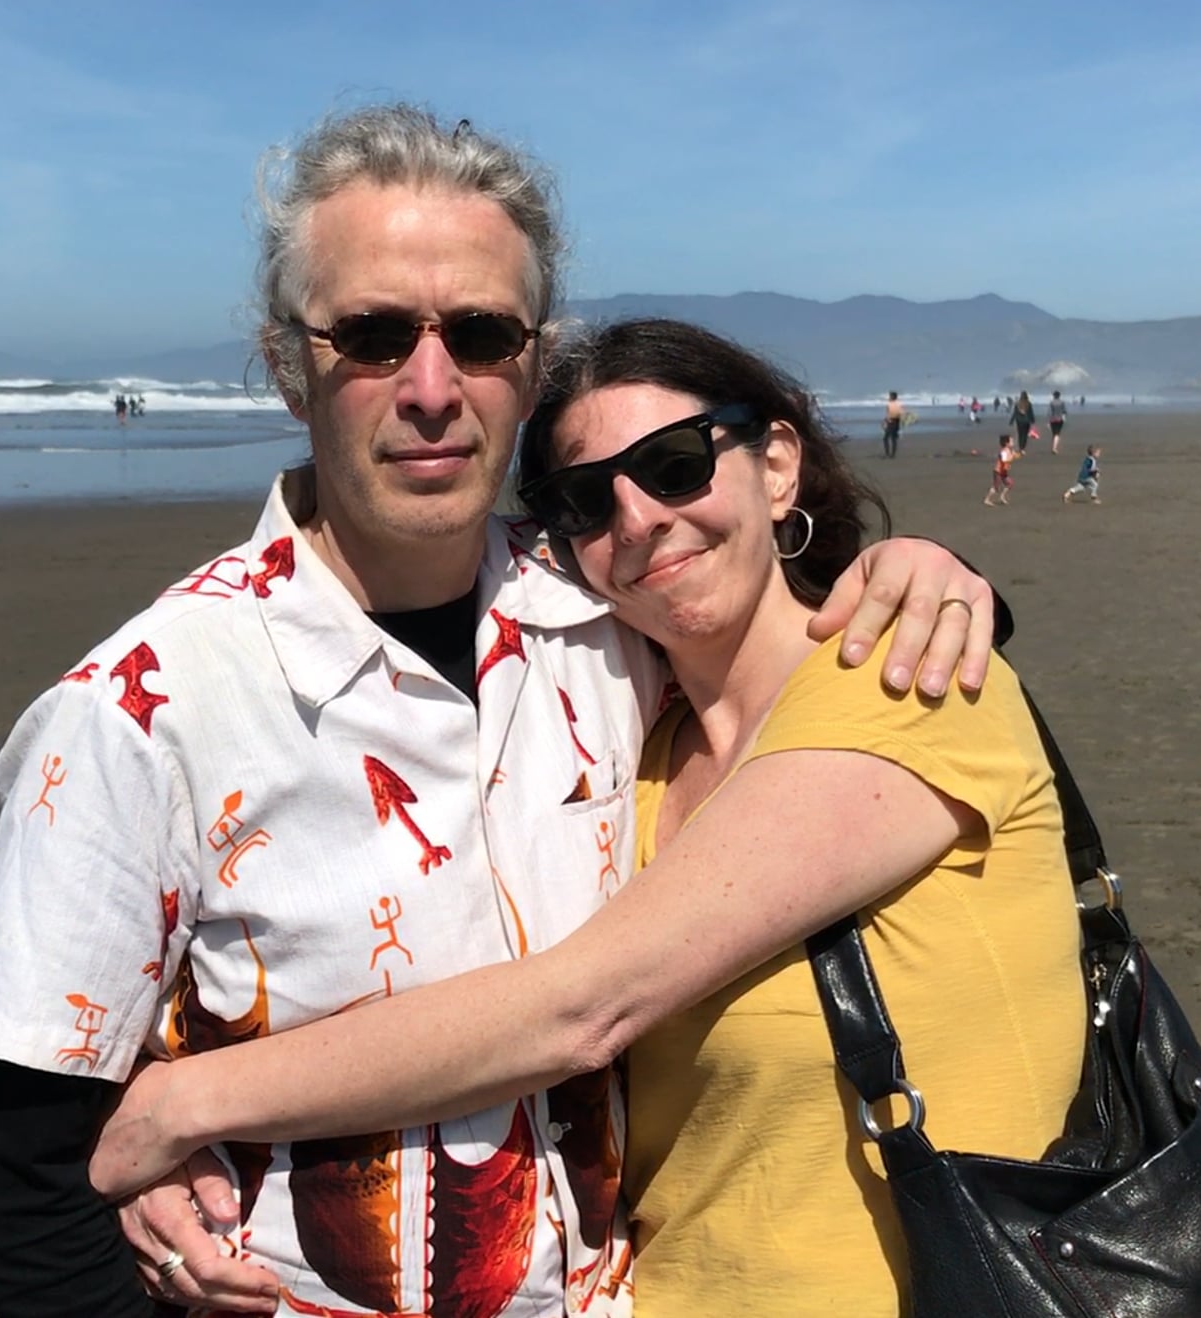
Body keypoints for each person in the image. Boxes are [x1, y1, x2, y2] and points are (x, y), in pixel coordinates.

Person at [0, 105, 1004, 1318]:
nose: (432, 389)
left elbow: (771, 625)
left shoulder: (609, 612)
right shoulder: (141, 714)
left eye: (481, 336)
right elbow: (7, 1180)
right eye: (373, 335)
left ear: (532, 367)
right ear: (289, 367)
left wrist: (927, 572)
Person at [93, 319, 1086, 1316]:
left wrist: (183, 1105)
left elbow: (577, 1008)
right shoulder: (633, 760)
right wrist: (167, 1100)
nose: (638, 519)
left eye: (675, 464)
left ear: (777, 466)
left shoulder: (913, 683)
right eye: (586, 500)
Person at [983, 431, 1015, 506]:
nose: (1013, 442)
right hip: (998, 471)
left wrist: (1018, 454)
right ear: (1007, 443)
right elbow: (1004, 460)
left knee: (1010, 483)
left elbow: (1012, 457)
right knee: (996, 487)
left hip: (1003, 472)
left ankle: (1002, 497)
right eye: (1011, 441)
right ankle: (987, 499)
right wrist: (1011, 458)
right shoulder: (1004, 451)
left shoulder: (1009, 450)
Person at [881, 390, 906, 458]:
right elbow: (902, 413)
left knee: (886, 438)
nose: (889, 397)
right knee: (893, 438)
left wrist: (884, 421)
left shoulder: (889, 404)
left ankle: (888, 454)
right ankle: (892, 454)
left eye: (890, 396)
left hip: (891, 421)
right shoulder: (899, 404)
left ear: (892, 397)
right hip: (897, 422)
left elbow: (889, 414)